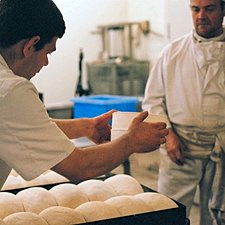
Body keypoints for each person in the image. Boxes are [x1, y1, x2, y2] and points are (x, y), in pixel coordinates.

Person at [0, 0, 169, 191]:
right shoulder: (11, 90)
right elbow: (80, 166)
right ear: (31, 45)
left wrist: (86, 127)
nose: (46, 63)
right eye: (48, 52)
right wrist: (131, 141)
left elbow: (24, 125)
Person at [142, 0, 225, 224]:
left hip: (221, 148)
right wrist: (168, 136)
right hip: (179, 148)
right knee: (170, 212)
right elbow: (153, 101)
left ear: (223, 9)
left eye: (210, 8)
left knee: (218, 216)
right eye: (195, 9)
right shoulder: (172, 53)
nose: (201, 16)